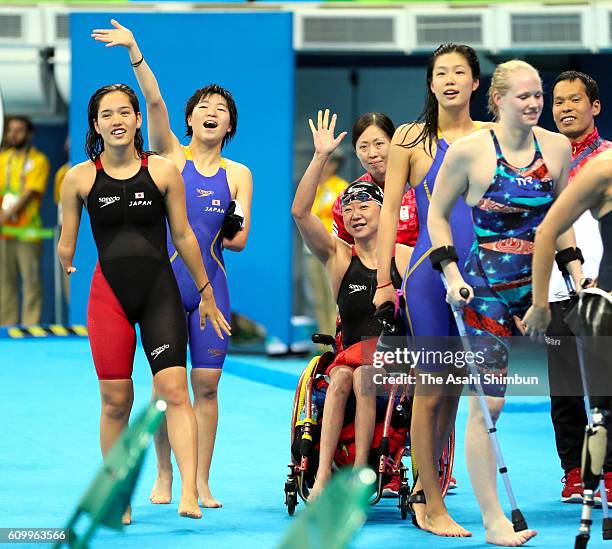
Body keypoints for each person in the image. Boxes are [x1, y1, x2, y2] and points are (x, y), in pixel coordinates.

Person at [92, 19, 253, 509]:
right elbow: (154, 103)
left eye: (220, 110)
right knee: (171, 388)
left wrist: (229, 222)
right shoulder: (169, 157)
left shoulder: (239, 174)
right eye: (203, 108)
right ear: (188, 120)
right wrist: (135, 53)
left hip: (211, 287)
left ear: (230, 125)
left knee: (206, 387)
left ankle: (200, 479)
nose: (211, 113)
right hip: (162, 284)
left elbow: (241, 240)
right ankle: (164, 474)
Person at [428, 59, 587, 545]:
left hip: (541, 286)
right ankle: (495, 520)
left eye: (538, 94)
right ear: (497, 100)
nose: (536, 103)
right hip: (486, 290)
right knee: (489, 403)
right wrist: (450, 271)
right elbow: (437, 217)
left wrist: (579, 276)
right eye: (524, 96)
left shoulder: (557, 148)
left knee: (583, 382)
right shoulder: (469, 151)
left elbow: (561, 220)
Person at [57, 83, 231, 522]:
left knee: (175, 390)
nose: (116, 120)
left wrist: (206, 291)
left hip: (159, 292)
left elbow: (185, 236)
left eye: (124, 113)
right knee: (116, 399)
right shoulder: (78, 177)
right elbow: (67, 240)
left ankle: (189, 490)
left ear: (137, 120)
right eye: (106, 115)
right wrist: (65, 262)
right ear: (95, 126)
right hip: (108, 295)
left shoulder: (163, 172)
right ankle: (119, 493)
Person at [373, 43, 486, 537]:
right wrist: (382, 280)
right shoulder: (410, 139)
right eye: (440, 72)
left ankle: (428, 485)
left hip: (479, 276)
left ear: (475, 83)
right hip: (426, 274)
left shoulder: (491, 136)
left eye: (459, 72)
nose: (449, 79)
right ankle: (429, 501)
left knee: (454, 393)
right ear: (431, 82)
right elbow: (388, 213)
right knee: (431, 389)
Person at [292, 109, 411, 501]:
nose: (356, 214)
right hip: (350, 361)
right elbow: (299, 213)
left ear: (386, 211)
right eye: (350, 208)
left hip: (393, 368)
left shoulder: (406, 256)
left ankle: (362, 471)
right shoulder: (339, 258)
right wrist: (320, 156)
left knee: (361, 376)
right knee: (343, 376)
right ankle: (323, 473)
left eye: (366, 206)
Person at [546, 71, 612, 504]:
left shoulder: (609, 159)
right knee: (563, 387)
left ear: (596, 107)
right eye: (558, 101)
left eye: (575, 100)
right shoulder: (540, 161)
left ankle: (606, 470)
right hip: (552, 289)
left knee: (607, 385)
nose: (566, 108)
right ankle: (574, 471)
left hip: (602, 288)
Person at [332, 112, 419, 248]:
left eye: (379, 144)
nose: (372, 154)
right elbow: (342, 251)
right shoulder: (346, 199)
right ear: (356, 151)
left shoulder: (421, 187)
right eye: (363, 147)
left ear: (394, 144)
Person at [0, 116, 50, 326]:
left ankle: (30, 327)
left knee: (31, 282)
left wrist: (4, 216)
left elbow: (29, 193)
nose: (14, 134)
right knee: (5, 283)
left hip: (28, 232)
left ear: (29, 134)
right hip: (4, 232)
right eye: (10, 130)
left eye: (19, 130)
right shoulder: (2, 158)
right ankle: (6, 328)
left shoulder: (38, 160)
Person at [306, 149, 349, 336]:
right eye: (326, 162)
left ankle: (337, 340)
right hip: (310, 249)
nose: (327, 167)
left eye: (332, 163)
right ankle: (325, 340)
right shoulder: (313, 185)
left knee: (334, 298)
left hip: (331, 248)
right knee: (318, 297)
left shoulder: (341, 187)